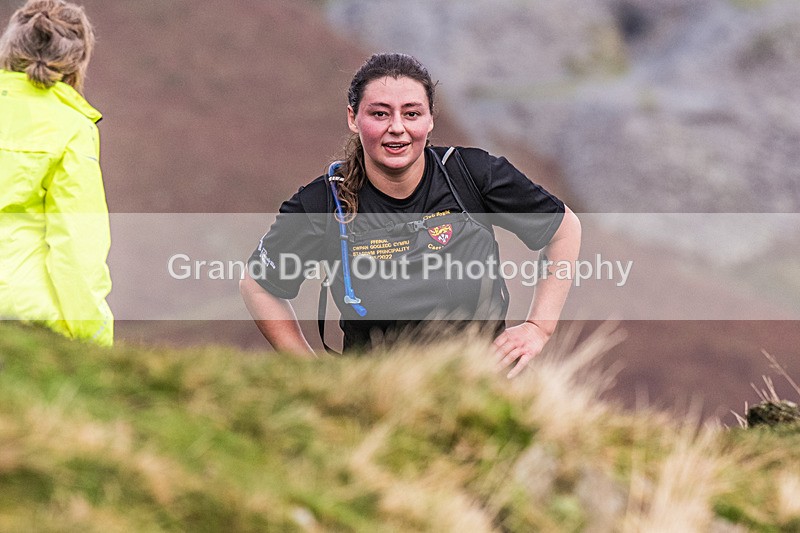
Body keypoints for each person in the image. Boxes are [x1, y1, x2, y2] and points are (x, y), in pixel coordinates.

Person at [240, 53, 580, 377]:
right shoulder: (322, 204)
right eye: (380, 114)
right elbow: (258, 284)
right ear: (353, 118)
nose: (397, 127)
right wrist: (311, 374)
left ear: (430, 119)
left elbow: (563, 229)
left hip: (484, 390)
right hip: (378, 400)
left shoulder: (472, 175)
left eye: (412, 113)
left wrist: (539, 327)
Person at [0, 0, 113, 346]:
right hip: (25, 316)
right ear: (76, 61)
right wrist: (95, 336)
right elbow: (77, 246)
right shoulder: (72, 128)